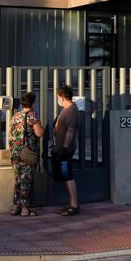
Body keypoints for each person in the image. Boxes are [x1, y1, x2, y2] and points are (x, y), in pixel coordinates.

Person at [8, 92, 44, 217]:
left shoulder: (15, 116)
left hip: (15, 153)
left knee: (18, 179)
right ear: (33, 103)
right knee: (26, 180)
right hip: (26, 153)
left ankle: (15, 206)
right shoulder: (32, 116)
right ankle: (25, 208)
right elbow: (39, 133)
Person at [50, 85, 80, 216]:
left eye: (58, 97)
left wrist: (64, 148)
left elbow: (70, 131)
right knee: (64, 175)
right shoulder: (67, 109)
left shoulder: (71, 110)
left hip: (65, 150)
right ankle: (71, 203)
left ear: (62, 97)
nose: (57, 99)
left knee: (67, 175)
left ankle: (74, 205)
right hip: (61, 149)